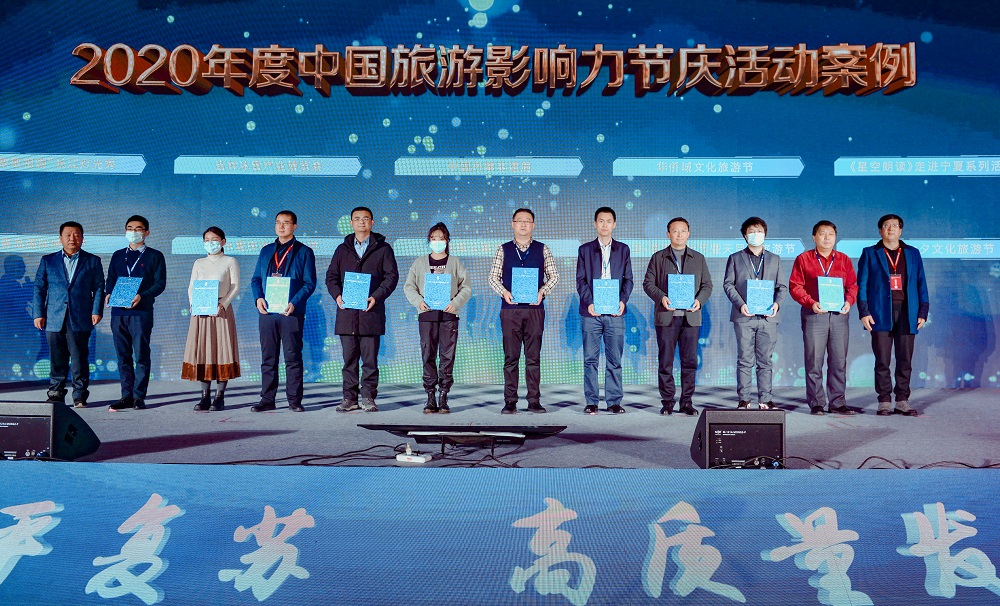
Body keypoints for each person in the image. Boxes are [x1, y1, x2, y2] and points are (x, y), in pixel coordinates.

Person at [327, 206, 399, 413]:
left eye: (365, 218)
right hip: (347, 314)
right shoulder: (342, 250)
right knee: (349, 361)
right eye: (357, 219)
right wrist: (337, 295)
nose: (361, 222)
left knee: (370, 361)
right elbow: (331, 277)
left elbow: (391, 277)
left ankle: (368, 397)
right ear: (351, 223)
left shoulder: (383, 249)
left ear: (372, 222)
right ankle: (349, 398)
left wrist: (376, 296)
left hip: (370, 313)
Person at [488, 208, 560, 414]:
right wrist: (504, 292)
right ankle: (510, 401)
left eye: (527, 221)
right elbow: (493, 277)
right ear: (512, 224)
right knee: (511, 357)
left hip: (534, 310)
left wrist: (542, 291)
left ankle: (534, 400)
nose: (523, 224)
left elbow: (554, 276)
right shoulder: (503, 249)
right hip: (510, 310)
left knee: (533, 358)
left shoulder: (542, 249)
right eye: (519, 220)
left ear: (533, 225)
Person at [857, 214, 928, 416]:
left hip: (908, 312)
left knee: (905, 359)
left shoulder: (912, 253)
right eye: (886, 225)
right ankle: (884, 400)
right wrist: (864, 312)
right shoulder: (870, 253)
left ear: (901, 230)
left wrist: (923, 311)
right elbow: (862, 285)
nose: (891, 229)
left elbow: (921, 283)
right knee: (882, 360)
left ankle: (902, 400)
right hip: (880, 313)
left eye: (895, 226)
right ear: (880, 230)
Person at [643, 218, 712, 416]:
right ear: (668, 234)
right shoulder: (658, 257)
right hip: (667, 316)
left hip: (691, 317)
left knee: (689, 362)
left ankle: (686, 402)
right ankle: (667, 402)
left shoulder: (698, 258)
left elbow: (707, 285)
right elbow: (648, 283)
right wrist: (661, 297)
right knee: (666, 361)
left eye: (683, 231)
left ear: (688, 234)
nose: (679, 234)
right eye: (675, 231)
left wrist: (699, 300)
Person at [788, 220, 858, 416]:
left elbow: (852, 285)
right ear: (814, 237)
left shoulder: (844, 259)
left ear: (835, 238)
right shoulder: (803, 259)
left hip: (839, 316)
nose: (827, 238)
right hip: (814, 314)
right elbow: (795, 286)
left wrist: (849, 301)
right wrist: (811, 302)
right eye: (822, 233)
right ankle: (817, 403)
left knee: (839, 361)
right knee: (814, 361)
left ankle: (838, 402)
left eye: (831, 234)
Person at [31, 222, 104, 407]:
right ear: (61, 238)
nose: (72, 238)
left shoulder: (92, 261)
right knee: (57, 358)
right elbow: (39, 288)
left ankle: (79, 395)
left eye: (77, 235)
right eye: (68, 235)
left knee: (79, 358)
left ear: (82, 238)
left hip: (80, 317)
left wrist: (96, 310)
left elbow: (98, 287)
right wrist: (38, 313)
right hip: (54, 317)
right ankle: (56, 393)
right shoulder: (48, 260)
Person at [250, 210, 317, 412]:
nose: (281, 226)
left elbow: (309, 283)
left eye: (286, 223)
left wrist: (294, 302)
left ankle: (294, 401)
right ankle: (267, 399)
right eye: (278, 222)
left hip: (291, 312)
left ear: (294, 226)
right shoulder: (266, 251)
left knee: (292, 357)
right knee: (268, 358)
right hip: (268, 312)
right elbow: (256, 280)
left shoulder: (304, 252)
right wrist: (258, 298)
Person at [403, 222, 472, 413]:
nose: (437, 241)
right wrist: (418, 302)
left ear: (447, 240)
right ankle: (430, 396)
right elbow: (409, 286)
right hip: (427, 315)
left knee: (447, 357)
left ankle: (444, 395)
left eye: (441, 238)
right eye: (433, 238)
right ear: (429, 241)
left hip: (449, 315)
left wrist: (455, 303)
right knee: (428, 355)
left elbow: (466, 287)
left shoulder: (455, 262)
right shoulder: (419, 263)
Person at [722, 217, 787, 410]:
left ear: (765, 234)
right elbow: (728, 284)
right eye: (751, 231)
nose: (755, 234)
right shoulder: (735, 258)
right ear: (745, 235)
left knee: (765, 360)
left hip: (768, 317)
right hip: (744, 316)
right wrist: (740, 304)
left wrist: (777, 304)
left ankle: (765, 399)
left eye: (759, 231)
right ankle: (744, 399)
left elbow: (782, 287)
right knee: (744, 359)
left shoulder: (774, 259)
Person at [575, 207, 633, 414]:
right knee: (590, 359)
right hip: (591, 313)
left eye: (609, 221)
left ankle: (614, 402)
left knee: (614, 360)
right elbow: (580, 280)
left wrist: (623, 301)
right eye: (601, 221)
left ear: (614, 224)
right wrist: (589, 302)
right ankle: (591, 401)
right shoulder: (585, 250)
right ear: (595, 224)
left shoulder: (623, 249)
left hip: (615, 313)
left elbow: (628, 279)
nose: (605, 225)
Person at [106, 215, 166, 411]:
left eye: (138, 229)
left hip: (141, 312)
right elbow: (111, 279)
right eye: (130, 228)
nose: (133, 232)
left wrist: (142, 295)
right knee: (122, 356)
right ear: (125, 231)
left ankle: (139, 396)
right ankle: (126, 396)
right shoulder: (117, 255)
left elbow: (160, 284)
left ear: (146, 232)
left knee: (141, 355)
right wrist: (108, 293)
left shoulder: (155, 256)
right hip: (118, 312)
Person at [182, 227, 241, 412]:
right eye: (207, 240)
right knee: (203, 351)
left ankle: (219, 397)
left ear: (223, 241)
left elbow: (235, 286)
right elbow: (191, 286)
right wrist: (193, 304)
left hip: (221, 310)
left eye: (214, 240)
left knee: (222, 350)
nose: (210, 243)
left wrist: (222, 304)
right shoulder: (199, 262)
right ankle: (204, 397)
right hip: (201, 311)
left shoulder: (230, 261)